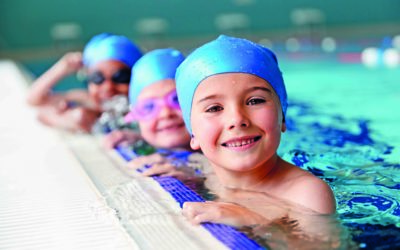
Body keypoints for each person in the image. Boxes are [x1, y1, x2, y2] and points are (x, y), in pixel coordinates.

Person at [175, 35, 336, 228]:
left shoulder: (307, 194)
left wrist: (255, 221)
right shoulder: (207, 171)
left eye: (255, 101)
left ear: (282, 117)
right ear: (193, 134)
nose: (237, 119)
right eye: (214, 108)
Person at [104, 48, 203, 178]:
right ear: (135, 116)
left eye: (176, 100)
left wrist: (200, 176)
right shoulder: (141, 145)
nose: (165, 113)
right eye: (149, 107)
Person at [26, 33, 142, 133]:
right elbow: (34, 100)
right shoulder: (85, 99)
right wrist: (63, 68)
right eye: (97, 78)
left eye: (121, 77)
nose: (108, 87)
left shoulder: (141, 108)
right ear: (88, 79)